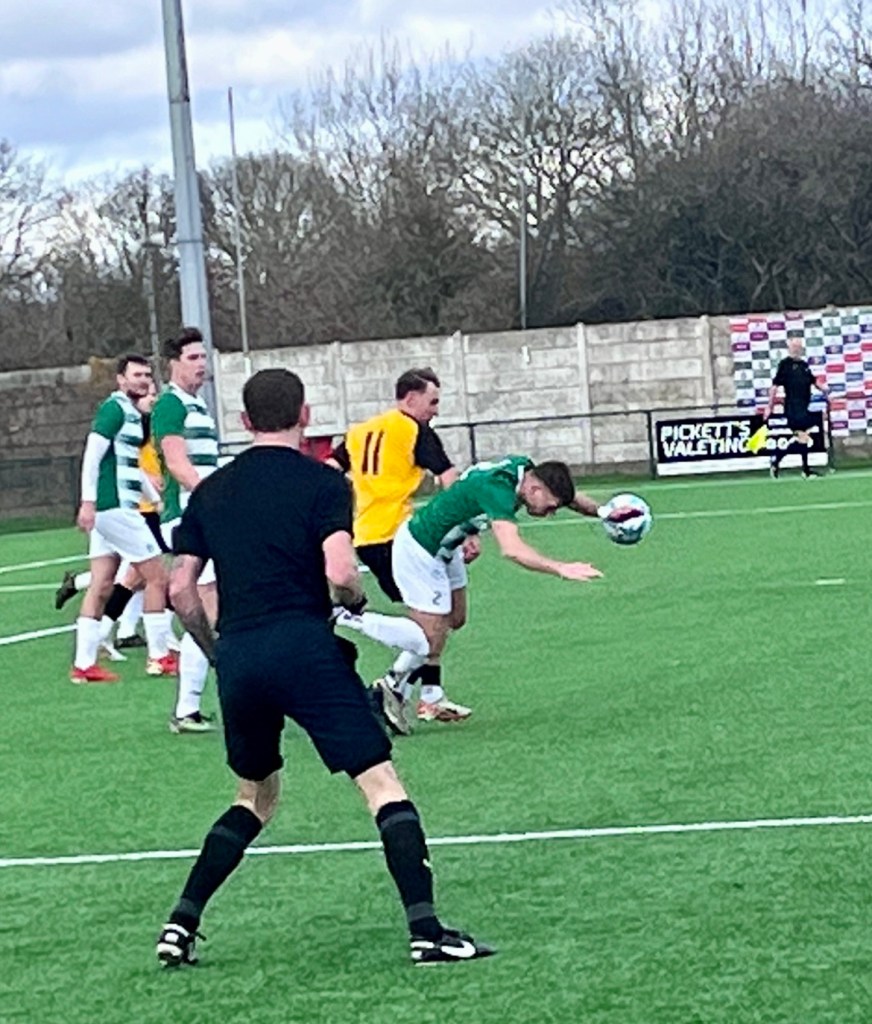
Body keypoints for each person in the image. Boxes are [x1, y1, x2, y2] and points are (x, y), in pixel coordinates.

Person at [155, 367, 493, 968]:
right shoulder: (323, 482)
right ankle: (426, 929)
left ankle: (180, 924)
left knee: (254, 797)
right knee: (380, 783)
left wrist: (218, 652)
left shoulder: (211, 491)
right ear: (305, 416)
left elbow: (181, 590)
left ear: (245, 421)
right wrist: (354, 603)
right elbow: (340, 571)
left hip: (241, 656)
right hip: (305, 648)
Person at [375, 457, 635, 729]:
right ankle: (389, 687)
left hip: (447, 549)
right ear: (535, 489)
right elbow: (512, 549)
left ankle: (430, 695)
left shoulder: (525, 471)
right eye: (550, 507)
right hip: (420, 549)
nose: (551, 513)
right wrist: (560, 568)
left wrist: (604, 512)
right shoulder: (499, 491)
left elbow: (568, 498)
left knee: (455, 618)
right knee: (429, 633)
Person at [329, 368, 472, 730]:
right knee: (430, 622)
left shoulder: (361, 431)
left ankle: (428, 695)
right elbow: (449, 477)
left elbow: (329, 470)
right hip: (401, 538)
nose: (436, 410)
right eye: (432, 401)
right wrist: (465, 527)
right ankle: (387, 679)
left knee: (444, 616)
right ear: (411, 398)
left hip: (367, 536)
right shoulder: (413, 429)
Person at [70, 355, 174, 683]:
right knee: (157, 577)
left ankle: (84, 665)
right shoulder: (114, 409)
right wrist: (88, 502)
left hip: (112, 508)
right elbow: (92, 454)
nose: (143, 380)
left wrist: (154, 498)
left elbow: (130, 464)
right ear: (121, 379)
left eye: (147, 375)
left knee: (102, 583)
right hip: (115, 508)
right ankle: (159, 657)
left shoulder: (132, 413)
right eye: (137, 375)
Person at [151, 328, 220, 733]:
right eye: (193, 358)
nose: (201, 364)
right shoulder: (170, 404)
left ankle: (189, 708)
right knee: (208, 607)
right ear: (174, 363)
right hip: (187, 517)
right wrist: (212, 497)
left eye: (203, 357)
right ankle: (198, 702)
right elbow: (177, 464)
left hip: (202, 515)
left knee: (208, 608)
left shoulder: (198, 406)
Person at [765, 338, 829, 479]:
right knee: (808, 429)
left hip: (804, 407)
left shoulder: (804, 365)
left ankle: (781, 461)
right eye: (794, 347)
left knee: (802, 438)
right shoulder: (785, 365)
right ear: (789, 348)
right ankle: (800, 468)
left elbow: (813, 381)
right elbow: (774, 386)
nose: (796, 350)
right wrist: (769, 407)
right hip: (793, 408)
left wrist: (825, 389)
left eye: (798, 347)